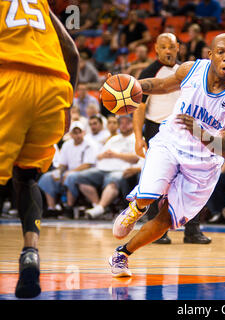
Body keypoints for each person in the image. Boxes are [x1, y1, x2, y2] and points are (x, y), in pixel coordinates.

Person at [107, 33, 225, 277]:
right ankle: (136, 209)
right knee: (148, 195)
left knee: (167, 220)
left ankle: (121, 254)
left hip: (204, 163)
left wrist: (200, 132)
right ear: (210, 55)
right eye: (220, 52)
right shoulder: (191, 69)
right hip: (171, 142)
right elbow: (162, 86)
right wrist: (130, 86)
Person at [0, 2, 79, 298]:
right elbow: (72, 51)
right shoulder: (41, 5)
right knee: (26, 176)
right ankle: (30, 253)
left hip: (10, 81)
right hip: (54, 89)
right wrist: (68, 103)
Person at [133, 33, 212, 245]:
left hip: (184, 130)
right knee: (158, 179)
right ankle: (158, 232)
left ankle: (192, 230)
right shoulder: (150, 72)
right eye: (163, 47)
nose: (168, 50)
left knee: (192, 179)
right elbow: (139, 109)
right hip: (157, 129)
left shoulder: (187, 71)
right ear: (156, 50)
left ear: (178, 48)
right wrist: (138, 137)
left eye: (171, 46)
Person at [76, 115, 139, 219]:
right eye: (121, 123)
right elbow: (98, 156)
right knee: (81, 177)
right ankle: (98, 206)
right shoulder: (113, 139)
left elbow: (136, 158)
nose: (123, 125)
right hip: (102, 168)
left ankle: (100, 207)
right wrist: (104, 155)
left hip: (121, 169)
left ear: (132, 123)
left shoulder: (136, 139)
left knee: (112, 179)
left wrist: (116, 155)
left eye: (127, 122)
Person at [38, 121, 97, 218]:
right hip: (69, 171)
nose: (77, 135)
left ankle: (69, 208)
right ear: (71, 134)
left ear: (84, 133)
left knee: (70, 177)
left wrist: (71, 172)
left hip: (86, 172)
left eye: (79, 132)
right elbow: (63, 164)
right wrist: (58, 171)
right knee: (47, 177)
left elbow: (88, 164)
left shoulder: (90, 144)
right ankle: (51, 208)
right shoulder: (67, 145)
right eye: (75, 133)